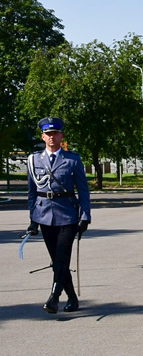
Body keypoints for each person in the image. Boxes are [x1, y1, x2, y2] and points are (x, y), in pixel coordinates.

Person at [25, 117, 91, 313]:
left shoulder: (72, 159)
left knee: (62, 257)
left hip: (67, 215)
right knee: (57, 260)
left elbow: (83, 190)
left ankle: (54, 297)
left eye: (55, 133)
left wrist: (85, 216)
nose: (52, 137)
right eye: (48, 134)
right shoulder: (34, 160)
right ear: (42, 136)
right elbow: (31, 192)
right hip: (44, 214)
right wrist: (32, 219)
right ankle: (72, 297)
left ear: (61, 136)